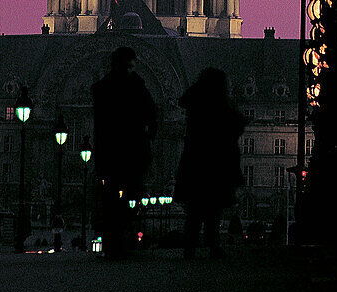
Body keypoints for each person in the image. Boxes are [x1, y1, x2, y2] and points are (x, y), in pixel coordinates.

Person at [92, 46, 157, 258]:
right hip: (129, 150)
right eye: (129, 65)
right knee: (127, 195)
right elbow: (152, 112)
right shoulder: (136, 86)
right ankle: (121, 240)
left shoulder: (104, 87)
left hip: (111, 150)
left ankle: (114, 242)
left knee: (112, 197)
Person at [174, 68, 245, 259]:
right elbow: (234, 125)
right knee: (213, 208)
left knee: (194, 210)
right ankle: (213, 245)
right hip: (216, 162)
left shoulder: (195, 101)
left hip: (195, 160)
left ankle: (189, 248)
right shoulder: (221, 103)